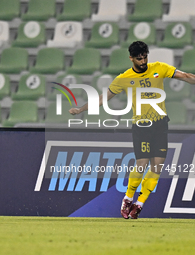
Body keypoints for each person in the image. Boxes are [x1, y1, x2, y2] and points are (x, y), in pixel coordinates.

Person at [69, 41, 195, 219]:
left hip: (160, 124)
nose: (143, 61)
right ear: (131, 58)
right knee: (142, 164)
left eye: (145, 57)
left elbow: (185, 76)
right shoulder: (124, 78)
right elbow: (103, 98)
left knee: (157, 166)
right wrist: (81, 109)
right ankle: (128, 198)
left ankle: (140, 203)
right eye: (139, 58)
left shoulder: (159, 68)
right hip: (141, 125)